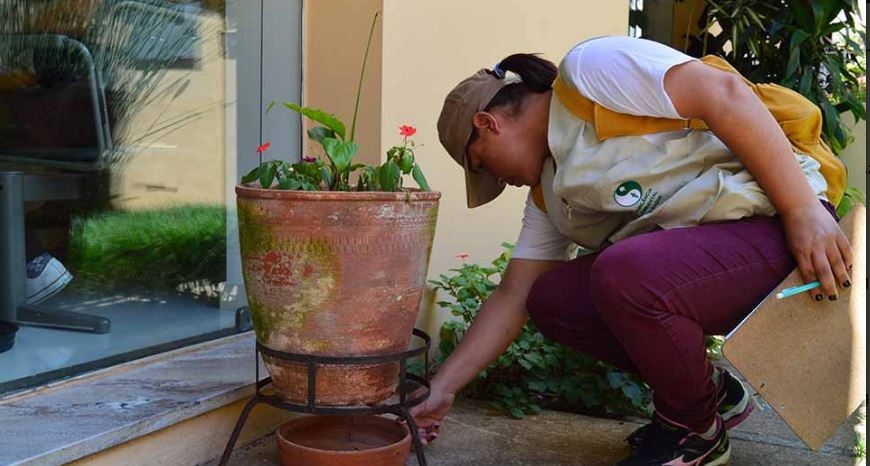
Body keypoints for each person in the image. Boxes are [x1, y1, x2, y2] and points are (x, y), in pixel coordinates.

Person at [410, 35, 852, 466]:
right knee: (553, 298)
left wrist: (801, 211)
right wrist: (443, 387)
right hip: (711, 267)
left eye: (484, 165)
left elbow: (723, 92)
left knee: (624, 272)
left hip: (786, 231)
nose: (499, 181)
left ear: (489, 124)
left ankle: (695, 433)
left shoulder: (589, 74)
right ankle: (709, 395)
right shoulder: (550, 195)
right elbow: (514, 296)